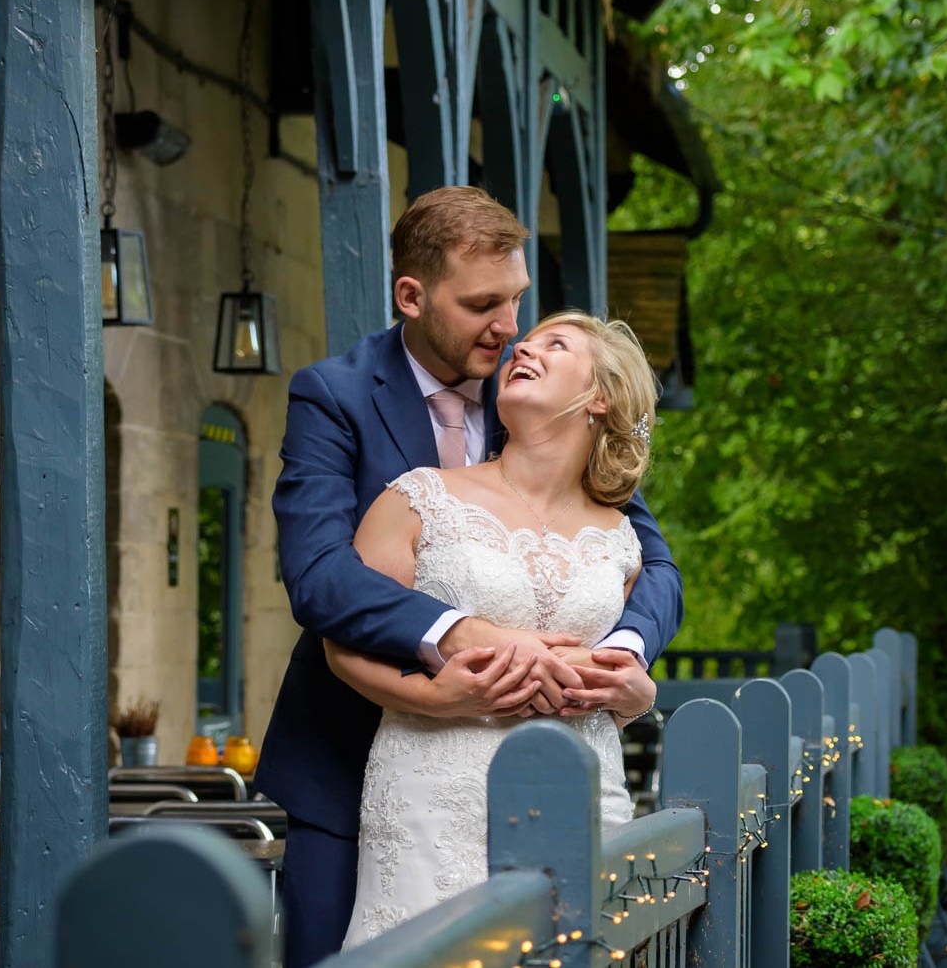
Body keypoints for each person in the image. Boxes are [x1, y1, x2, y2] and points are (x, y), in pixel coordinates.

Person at [253, 186, 682, 967]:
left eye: (515, 298)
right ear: (411, 297)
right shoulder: (335, 395)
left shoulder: (545, 399)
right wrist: (456, 634)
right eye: (483, 304)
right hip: (353, 759)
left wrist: (622, 656)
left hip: (550, 774)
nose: (510, 327)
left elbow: (648, 560)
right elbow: (317, 575)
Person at [329, 311, 659, 944]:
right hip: (433, 793)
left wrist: (633, 697)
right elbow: (344, 644)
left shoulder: (623, 538)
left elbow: (604, 678)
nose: (522, 350)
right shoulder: (418, 499)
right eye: (524, 345)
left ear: (601, 397)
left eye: (554, 345)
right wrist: (433, 697)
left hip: (581, 792)